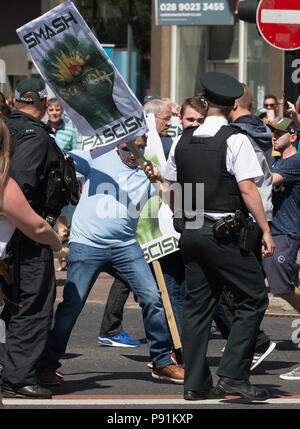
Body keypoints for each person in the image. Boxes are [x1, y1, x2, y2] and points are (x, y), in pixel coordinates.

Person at [38, 134, 184, 386]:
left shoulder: (148, 173)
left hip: (125, 246)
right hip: (87, 244)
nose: (132, 153)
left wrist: (159, 179)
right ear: (119, 143)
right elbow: (63, 159)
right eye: (128, 147)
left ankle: (162, 362)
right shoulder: (99, 158)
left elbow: (178, 204)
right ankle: (48, 365)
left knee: (152, 297)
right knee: (72, 304)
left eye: (139, 147)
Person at [173, 72, 275, 401]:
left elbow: (175, 189)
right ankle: (232, 375)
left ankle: (195, 383)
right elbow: (248, 189)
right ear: (233, 106)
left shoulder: (183, 140)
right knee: (255, 297)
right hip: (223, 234)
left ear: (203, 103)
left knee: (197, 306)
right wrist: (265, 230)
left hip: (191, 230)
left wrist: (186, 221)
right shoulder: (235, 139)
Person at [0, 77, 67, 399]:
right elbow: (22, 187)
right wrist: (47, 235)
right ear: (43, 102)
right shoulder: (34, 135)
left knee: (16, 303)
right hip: (26, 234)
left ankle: (14, 370)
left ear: (15, 101)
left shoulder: (9, 128)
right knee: (34, 304)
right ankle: (19, 377)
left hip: (11, 235)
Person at [218, 83, 276, 371]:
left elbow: (244, 183)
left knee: (230, 285)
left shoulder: (240, 136)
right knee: (243, 283)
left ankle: (254, 342)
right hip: (260, 215)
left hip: (247, 217)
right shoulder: (262, 131)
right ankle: (248, 341)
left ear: (235, 105)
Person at [262, 118, 300, 315]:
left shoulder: (296, 162)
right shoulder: (275, 161)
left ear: (293, 137)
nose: (273, 136)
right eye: (273, 132)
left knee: (281, 287)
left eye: (279, 133)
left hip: (285, 232)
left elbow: (268, 183)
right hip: (268, 231)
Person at [46, 97, 78, 271]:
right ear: (47, 111)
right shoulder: (42, 129)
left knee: (62, 222)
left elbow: (74, 156)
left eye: (57, 110)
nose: (55, 113)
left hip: (62, 181)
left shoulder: (70, 131)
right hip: (46, 181)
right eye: (51, 110)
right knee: (47, 220)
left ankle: (63, 258)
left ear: (62, 111)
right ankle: (52, 254)